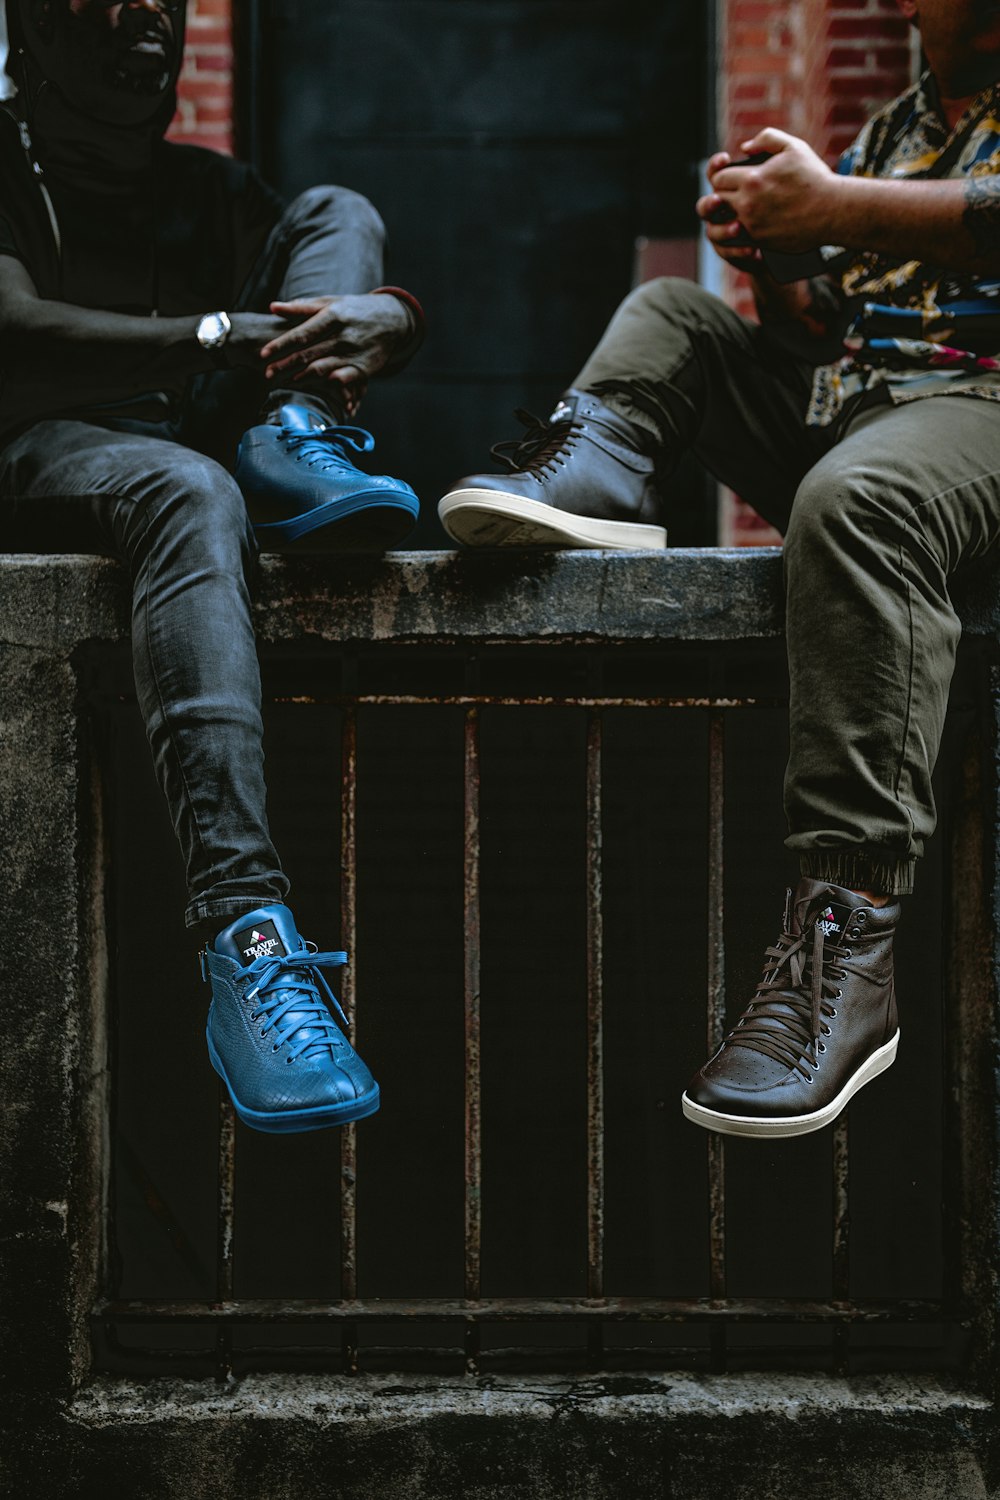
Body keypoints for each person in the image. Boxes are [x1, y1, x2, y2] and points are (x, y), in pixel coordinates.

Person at [437, 0, 1000, 1138]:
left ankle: (847, 953)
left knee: (862, 499)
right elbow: (821, 336)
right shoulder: (895, 131)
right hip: (863, 412)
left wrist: (831, 204)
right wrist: (782, 257)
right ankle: (593, 469)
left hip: (972, 415)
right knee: (675, 311)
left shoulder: (874, 171)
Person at [0, 0, 427, 1134]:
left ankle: (301, 432)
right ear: (30, 29)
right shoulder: (5, 156)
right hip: (36, 449)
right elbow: (12, 325)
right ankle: (246, 933)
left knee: (341, 210)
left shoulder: (208, 192)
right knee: (192, 490)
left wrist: (388, 315)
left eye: (165, 3)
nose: (146, 19)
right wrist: (212, 335)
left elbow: (329, 276)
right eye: (106, 0)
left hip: (187, 449)